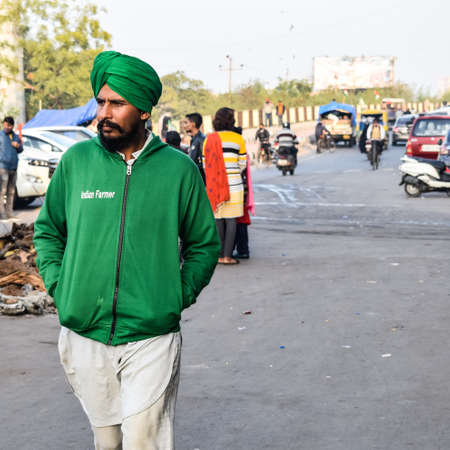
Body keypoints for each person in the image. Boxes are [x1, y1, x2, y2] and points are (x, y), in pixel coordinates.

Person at [33, 50, 220, 450]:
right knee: (108, 440)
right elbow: (48, 232)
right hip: (85, 330)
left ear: (144, 111)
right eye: (101, 102)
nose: (105, 112)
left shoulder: (178, 170)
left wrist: (174, 296)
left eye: (117, 104)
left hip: (151, 333)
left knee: (142, 440)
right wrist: (61, 287)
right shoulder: (76, 162)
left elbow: (204, 244)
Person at [203, 107, 247, 265]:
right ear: (232, 120)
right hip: (234, 185)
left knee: (218, 220)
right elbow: (242, 164)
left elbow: (205, 164)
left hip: (214, 186)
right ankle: (228, 256)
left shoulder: (209, 139)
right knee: (231, 221)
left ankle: (219, 255)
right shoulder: (238, 139)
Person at [0, 116, 23, 220]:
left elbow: (21, 149)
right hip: (3, 167)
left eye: (9, 125)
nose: (7, 127)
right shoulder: (0, 135)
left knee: (11, 191)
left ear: (12, 126)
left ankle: (9, 213)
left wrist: (17, 145)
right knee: (2, 191)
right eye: (5, 125)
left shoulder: (14, 136)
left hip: (14, 167)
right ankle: (2, 214)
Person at [185, 112, 205, 181]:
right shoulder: (194, 139)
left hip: (201, 178)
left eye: (186, 123)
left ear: (193, 124)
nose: (185, 126)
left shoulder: (201, 139)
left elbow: (204, 162)